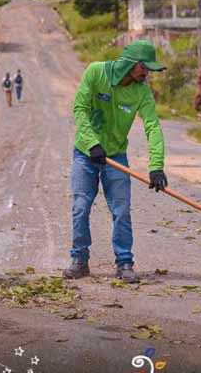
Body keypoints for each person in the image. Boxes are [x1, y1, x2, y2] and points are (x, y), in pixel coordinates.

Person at [65, 40, 168, 284]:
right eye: (144, 67)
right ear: (130, 63)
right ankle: (79, 260)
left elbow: (152, 126)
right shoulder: (96, 72)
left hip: (116, 156)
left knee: (121, 211)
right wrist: (92, 144)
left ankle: (124, 262)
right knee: (81, 207)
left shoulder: (142, 91)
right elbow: (79, 108)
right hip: (85, 154)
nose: (147, 73)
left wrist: (156, 166)